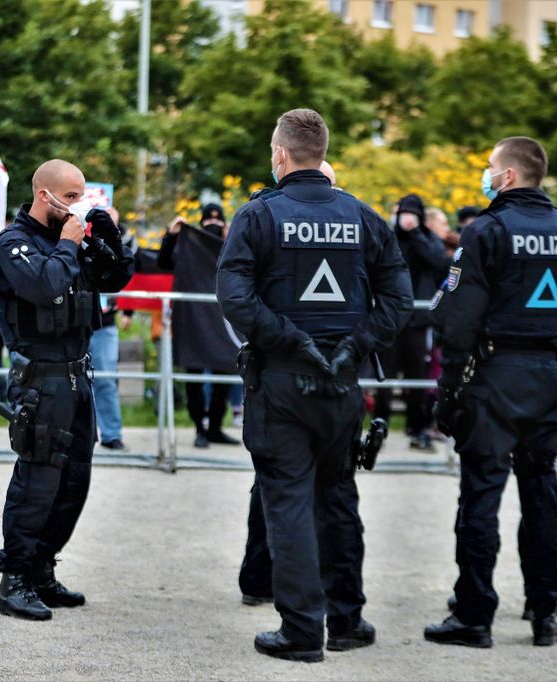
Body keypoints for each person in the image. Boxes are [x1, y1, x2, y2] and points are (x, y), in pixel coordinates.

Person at [217, 108, 412, 663]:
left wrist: (291, 340)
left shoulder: (257, 217)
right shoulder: (365, 217)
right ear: (322, 155)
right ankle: (347, 620)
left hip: (282, 382)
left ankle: (302, 632)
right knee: (338, 496)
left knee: (288, 502)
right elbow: (399, 301)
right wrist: (355, 345)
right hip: (343, 384)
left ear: (280, 155)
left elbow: (234, 298)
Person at [425, 136, 557, 649]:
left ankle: (474, 615)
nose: (486, 176)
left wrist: (448, 393)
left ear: (506, 176)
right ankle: (544, 609)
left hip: (492, 378)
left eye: (489, 168)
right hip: (546, 378)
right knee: (541, 490)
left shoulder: (486, 231)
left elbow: (455, 322)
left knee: (481, 495)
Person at [0, 159, 134, 621]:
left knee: (73, 482)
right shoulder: (12, 245)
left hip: (78, 375)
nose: (78, 206)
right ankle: (15, 581)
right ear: (43, 194)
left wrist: (109, 238)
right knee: (38, 480)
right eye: (70, 197)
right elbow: (44, 285)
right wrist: (70, 244)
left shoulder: (73, 242)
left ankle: (42, 570)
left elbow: (117, 278)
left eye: (82, 196)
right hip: (41, 378)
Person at [237, 159, 341, 606]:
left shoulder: (345, 220)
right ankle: (262, 577)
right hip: (285, 367)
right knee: (279, 484)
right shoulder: (264, 214)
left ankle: (292, 582)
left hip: (327, 371)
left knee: (305, 487)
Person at [158, 203, 240, 448]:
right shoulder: (190, 249)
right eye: (208, 220)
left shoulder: (233, 248)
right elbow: (163, 262)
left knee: (224, 374)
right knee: (194, 374)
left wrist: (229, 237)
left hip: (223, 323)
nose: (212, 224)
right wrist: (172, 236)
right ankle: (199, 428)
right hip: (193, 320)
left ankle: (215, 427)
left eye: (218, 220)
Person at [373, 193, 447, 452]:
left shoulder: (427, 238)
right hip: (390, 321)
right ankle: (379, 424)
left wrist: (415, 232)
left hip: (417, 323)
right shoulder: (387, 236)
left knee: (418, 377)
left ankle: (418, 428)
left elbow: (438, 262)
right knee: (385, 378)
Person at [89, 206, 134, 451]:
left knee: (105, 379)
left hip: (105, 322)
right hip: (79, 319)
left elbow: (128, 261)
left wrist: (113, 229)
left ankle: (111, 433)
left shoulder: (120, 239)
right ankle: (81, 433)